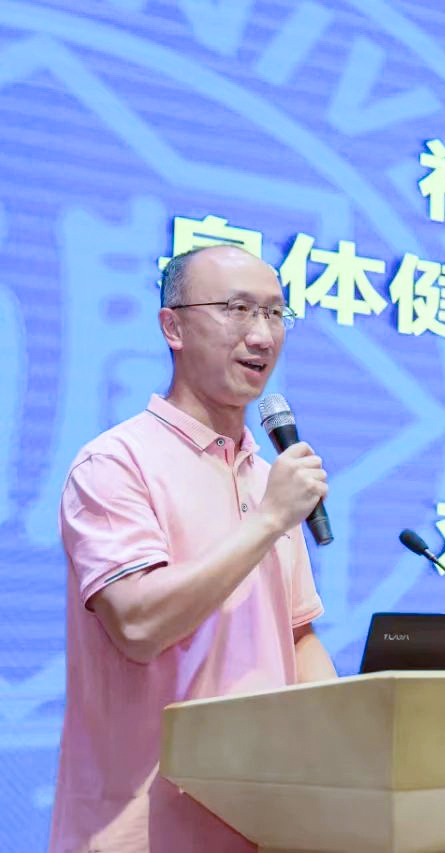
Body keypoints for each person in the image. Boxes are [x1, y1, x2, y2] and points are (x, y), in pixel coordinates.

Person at [49, 244, 337, 852]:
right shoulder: (116, 464)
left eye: (275, 313)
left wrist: (353, 738)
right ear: (172, 327)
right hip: (145, 829)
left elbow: (296, 636)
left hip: (265, 825)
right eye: (238, 309)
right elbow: (138, 624)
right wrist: (269, 520)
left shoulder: (268, 478)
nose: (262, 334)